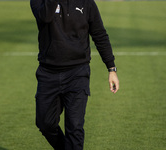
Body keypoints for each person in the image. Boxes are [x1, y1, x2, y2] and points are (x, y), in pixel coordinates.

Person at [30, 0, 119, 149]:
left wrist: (111, 68)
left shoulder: (87, 3)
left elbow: (99, 34)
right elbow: (45, 17)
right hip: (48, 74)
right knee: (45, 124)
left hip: (77, 73)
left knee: (75, 128)